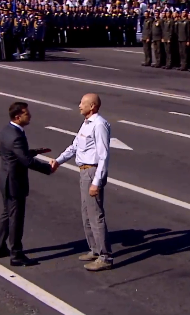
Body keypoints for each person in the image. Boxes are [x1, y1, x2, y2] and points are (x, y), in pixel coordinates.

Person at [50, 93, 113, 272]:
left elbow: (103, 156)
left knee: (95, 216)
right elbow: (75, 146)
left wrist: (96, 182)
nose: (79, 105)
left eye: (83, 103)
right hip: (84, 171)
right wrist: (59, 160)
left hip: (92, 172)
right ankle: (94, 249)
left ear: (92, 106)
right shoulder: (86, 124)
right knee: (86, 214)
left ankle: (105, 257)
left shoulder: (99, 125)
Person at [0, 102, 55, 267]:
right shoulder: (17, 136)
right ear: (18, 117)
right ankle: (16, 254)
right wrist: (48, 168)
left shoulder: (7, 130)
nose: (30, 116)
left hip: (5, 179)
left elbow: (15, 154)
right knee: (16, 220)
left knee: (7, 215)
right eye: (27, 113)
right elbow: (25, 161)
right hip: (14, 183)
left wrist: (35, 151)